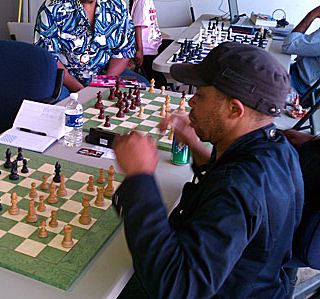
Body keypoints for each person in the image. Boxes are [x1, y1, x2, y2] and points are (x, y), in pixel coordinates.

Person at [113, 42, 304, 297]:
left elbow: (177, 287)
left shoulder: (238, 187)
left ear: (234, 109)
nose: (191, 101)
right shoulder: (278, 148)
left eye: (200, 95)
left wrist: (140, 177)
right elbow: (229, 180)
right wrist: (195, 145)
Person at [34, 0, 149, 101]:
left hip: (105, 74)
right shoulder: (52, 9)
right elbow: (49, 58)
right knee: (60, 106)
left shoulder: (117, 6)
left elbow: (124, 50)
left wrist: (103, 83)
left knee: (146, 90)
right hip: (65, 79)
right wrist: (78, 88)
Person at [282, 6, 320, 104]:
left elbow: (288, 45)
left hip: (300, 88)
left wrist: (313, 14)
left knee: (250, 69)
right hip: (305, 84)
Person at [129, 0, 169, 88]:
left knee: (174, 46)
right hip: (146, 50)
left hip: (155, 45)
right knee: (159, 81)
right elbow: (137, 26)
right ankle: (160, 94)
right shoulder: (142, 1)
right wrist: (140, 50)